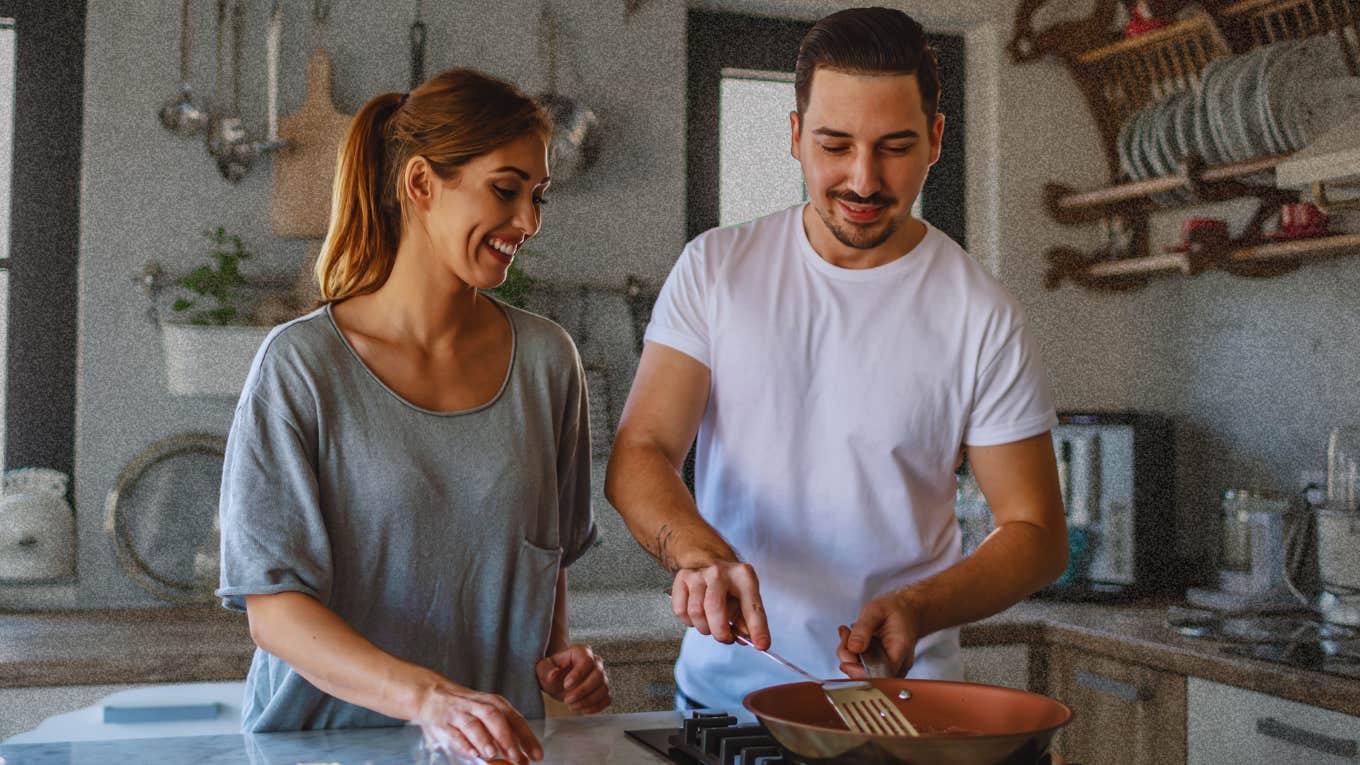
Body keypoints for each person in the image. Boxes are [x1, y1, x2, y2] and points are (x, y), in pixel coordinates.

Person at [606, 7, 1068, 714]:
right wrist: (702, 557)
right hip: (729, 702)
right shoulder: (716, 270)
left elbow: (1035, 531)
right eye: (835, 144)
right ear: (794, 136)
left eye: (894, 146)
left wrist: (920, 604)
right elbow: (641, 449)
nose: (862, 178)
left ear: (936, 140)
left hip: (901, 707)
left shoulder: (981, 312)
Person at [216, 68, 608, 765]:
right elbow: (274, 610)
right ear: (422, 184)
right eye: (506, 189)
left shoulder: (550, 362)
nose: (528, 222)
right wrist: (429, 698)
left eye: (538, 197)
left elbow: (543, 555)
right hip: (322, 749)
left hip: (488, 752)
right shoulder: (302, 365)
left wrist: (557, 656)